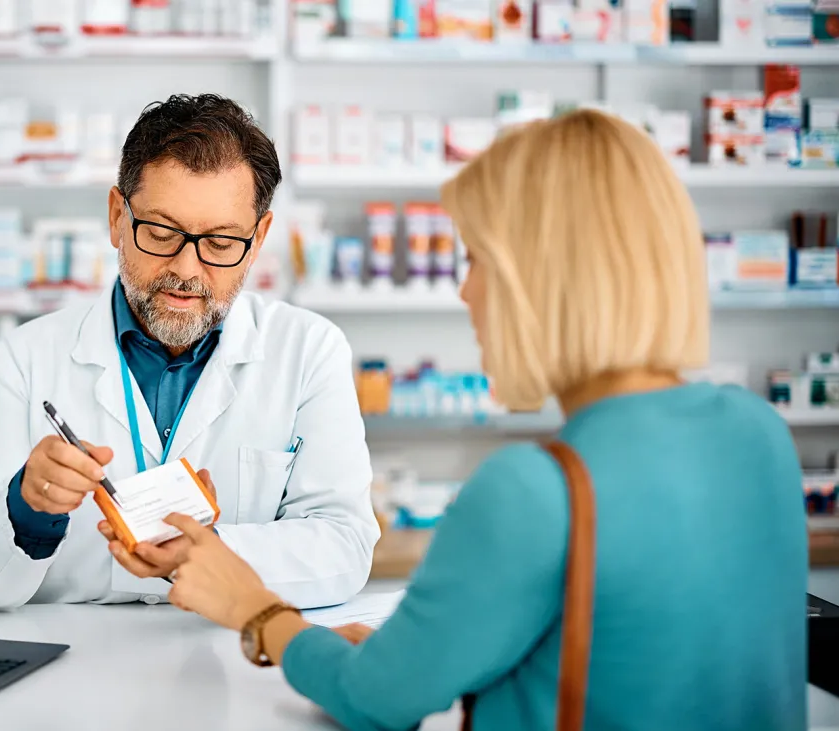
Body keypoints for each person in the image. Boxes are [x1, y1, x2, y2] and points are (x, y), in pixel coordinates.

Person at [162, 109, 807, 731]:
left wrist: (259, 612)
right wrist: (423, 656)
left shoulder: (535, 490)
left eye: (476, 261)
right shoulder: (758, 435)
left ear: (544, 280)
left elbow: (376, 701)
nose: (465, 291)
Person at [0, 94, 379, 611]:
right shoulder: (25, 357)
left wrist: (206, 555)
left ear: (259, 238)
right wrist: (27, 508)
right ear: (116, 218)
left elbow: (344, 545)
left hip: (229, 659)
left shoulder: (309, 351)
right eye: (160, 232)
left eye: (220, 243)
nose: (188, 269)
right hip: (75, 662)